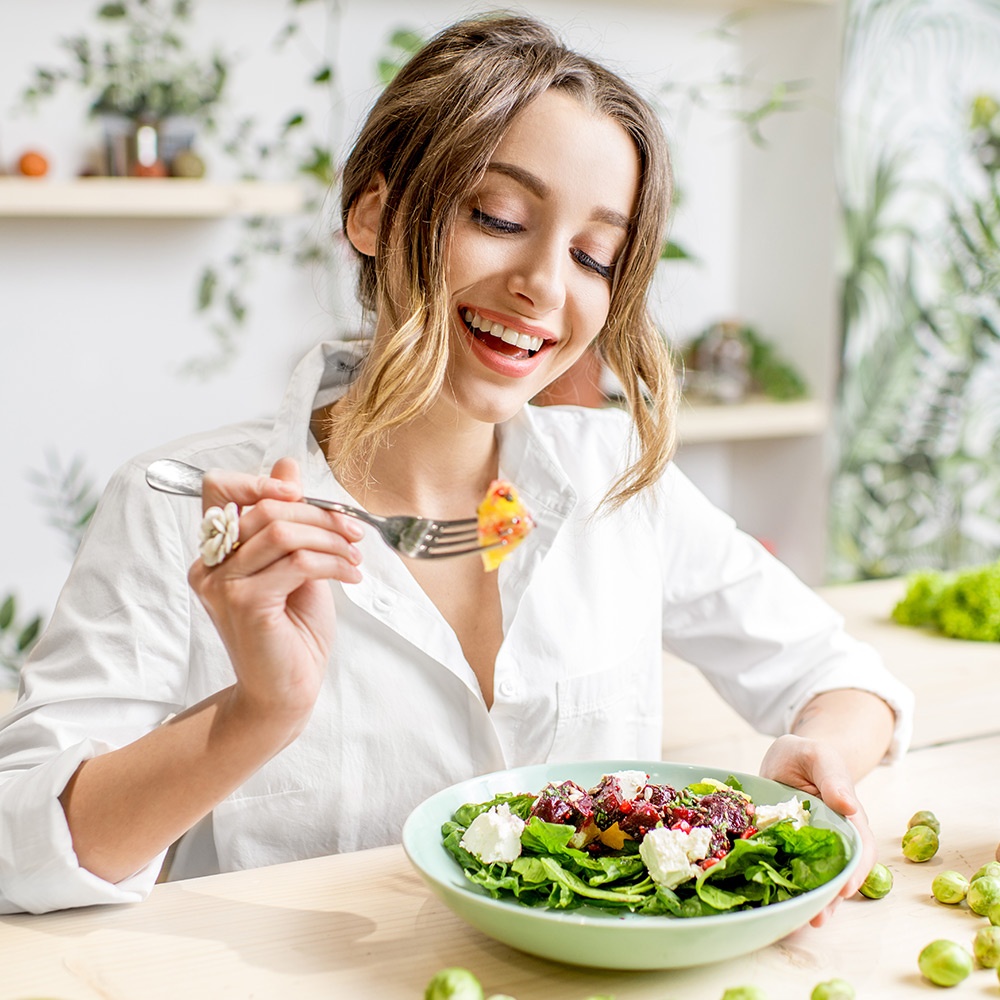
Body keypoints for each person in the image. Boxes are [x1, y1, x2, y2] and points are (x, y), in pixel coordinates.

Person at [0, 13, 912, 917]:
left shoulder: (616, 480)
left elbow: (842, 677)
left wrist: (820, 756)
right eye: (499, 216)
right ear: (374, 213)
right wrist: (259, 712)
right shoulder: (180, 507)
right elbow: (20, 854)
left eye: (595, 255)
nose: (546, 287)